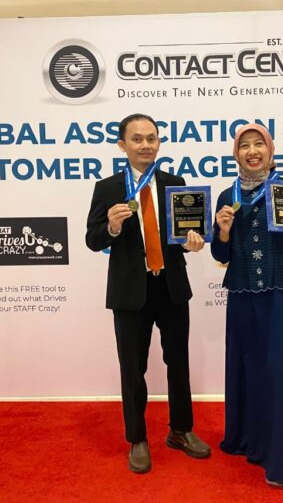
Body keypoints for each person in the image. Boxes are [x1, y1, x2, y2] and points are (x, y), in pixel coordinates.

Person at [86, 113, 211, 474]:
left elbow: (183, 235)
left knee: (179, 363)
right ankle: (137, 438)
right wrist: (111, 227)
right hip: (130, 292)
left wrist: (191, 243)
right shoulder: (107, 188)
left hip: (171, 286)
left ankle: (180, 430)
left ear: (159, 143)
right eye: (137, 139)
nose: (145, 145)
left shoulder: (175, 183)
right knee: (132, 368)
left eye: (151, 138)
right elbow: (92, 239)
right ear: (122, 145)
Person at [211, 123, 283, 486]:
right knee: (253, 371)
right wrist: (223, 232)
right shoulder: (226, 196)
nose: (252, 151)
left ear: (271, 150)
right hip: (245, 298)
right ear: (236, 154)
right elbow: (221, 255)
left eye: (258, 144)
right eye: (244, 146)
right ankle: (256, 442)